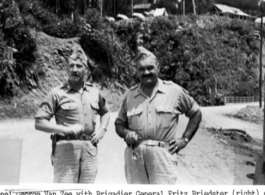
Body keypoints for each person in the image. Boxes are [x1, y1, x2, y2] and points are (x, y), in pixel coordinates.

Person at [115, 46, 202, 184]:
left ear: (158, 68)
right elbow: (119, 124)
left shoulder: (174, 91)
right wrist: (126, 133)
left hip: (163, 157)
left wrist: (184, 139)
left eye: (150, 68)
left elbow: (196, 113)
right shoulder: (129, 95)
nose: (146, 72)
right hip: (135, 156)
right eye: (141, 69)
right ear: (136, 72)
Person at [35, 48, 110, 183]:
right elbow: (39, 122)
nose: (74, 69)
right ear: (66, 69)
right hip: (66, 148)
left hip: (89, 150)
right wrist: (65, 129)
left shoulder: (94, 92)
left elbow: (105, 112)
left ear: (86, 69)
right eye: (71, 66)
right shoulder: (56, 93)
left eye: (79, 66)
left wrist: (102, 130)